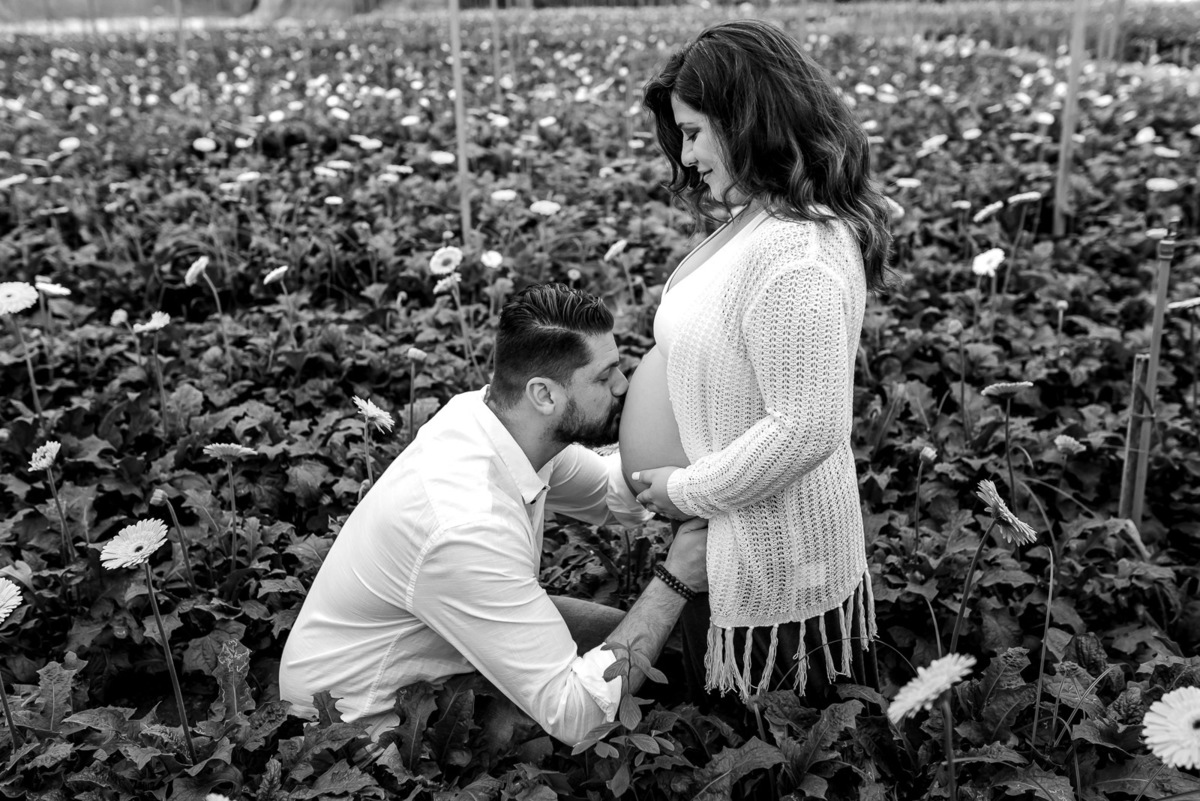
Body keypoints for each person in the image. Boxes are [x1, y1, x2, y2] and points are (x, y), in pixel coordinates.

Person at [279, 283, 708, 747]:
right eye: (604, 378)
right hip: (364, 724)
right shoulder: (465, 523)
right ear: (544, 394)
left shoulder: (499, 423)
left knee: (672, 655)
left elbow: (608, 492)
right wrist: (677, 577)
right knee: (629, 705)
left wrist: (701, 471)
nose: (623, 385)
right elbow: (577, 714)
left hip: (445, 645)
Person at [619, 19, 892, 702]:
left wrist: (685, 490)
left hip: (776, 564)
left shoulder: (800, 253)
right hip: (723, 535)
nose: (686, 157)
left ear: (743, 120)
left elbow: (807, 427)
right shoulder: (761, 219)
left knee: (774, 746)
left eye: (693, 132)